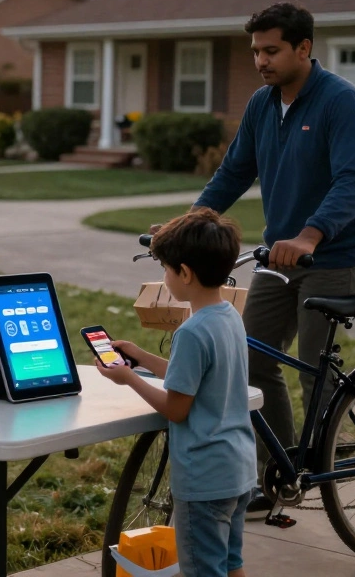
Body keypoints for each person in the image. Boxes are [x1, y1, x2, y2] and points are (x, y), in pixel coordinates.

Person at [189, 2, 355, 512]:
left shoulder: (341, 101)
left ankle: (324, 467)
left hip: (333, 255)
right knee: (251, 358)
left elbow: (353, 181)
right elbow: (234, 171)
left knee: (315, 369)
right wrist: (192, 222)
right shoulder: (262, 103)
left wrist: (311, 236)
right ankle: (283, 472)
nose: (261, 61)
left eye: (271, 51)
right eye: (256, 51)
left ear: (303, 48)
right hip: (279, 257)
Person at [99, 209, 256, 577]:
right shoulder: (229, 316)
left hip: (204, 480)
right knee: (230, 563)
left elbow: (176, 408)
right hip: (238, 470)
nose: (164, 277)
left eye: (165, 269)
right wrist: (140, 356)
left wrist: (128, 378)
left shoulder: (191, 332)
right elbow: (194, 377)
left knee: (202, 570)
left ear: (184, 273)